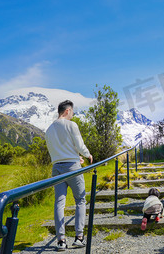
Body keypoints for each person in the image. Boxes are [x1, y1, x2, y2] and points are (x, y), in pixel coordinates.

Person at [45, 100, 93, 251]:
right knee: (80, 199)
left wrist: (73, 156)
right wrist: (87, 155)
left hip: (57, 169)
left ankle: (61, 240)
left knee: (59, 202)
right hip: (73, 168)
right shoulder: (71, 125)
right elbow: (79, 145)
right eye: (72, 112)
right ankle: (79, 237)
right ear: (67, 111)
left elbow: (56, 151)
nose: (72, 115)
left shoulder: (48, 130)